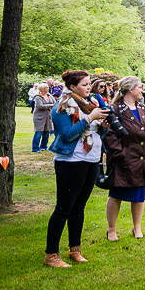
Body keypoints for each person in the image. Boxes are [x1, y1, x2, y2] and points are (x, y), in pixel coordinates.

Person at [45, 70, 107, 268]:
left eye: (90, 84)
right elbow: (67, 135)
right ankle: (51, 254)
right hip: (71, 161)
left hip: (91, 159)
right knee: (63, 208)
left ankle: (75, 249)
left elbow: (96, 135)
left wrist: (103, 125)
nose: (89, 87)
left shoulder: (90, 106)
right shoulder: (63, 106)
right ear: (72, 87)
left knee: (79, 207)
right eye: (84, 84)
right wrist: (89, 119)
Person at [105, 77, 145, 241]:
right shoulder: (114, 109)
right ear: (130, 89)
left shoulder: (143, 107)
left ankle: (137, 227)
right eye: (139, 87)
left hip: (144, 158)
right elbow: (109, 134)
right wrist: (120, 153)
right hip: (124, 159)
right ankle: (111, 229)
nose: (142, 89)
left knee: (139, 195)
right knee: (116, 194)